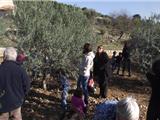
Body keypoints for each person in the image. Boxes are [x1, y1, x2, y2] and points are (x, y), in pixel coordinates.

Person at [0, 47, 30, 120]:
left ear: (4, 56)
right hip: (16, 102)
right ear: (15, 57)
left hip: (2, 104)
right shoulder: (21, 70)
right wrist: (22, 97)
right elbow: (27, 85)